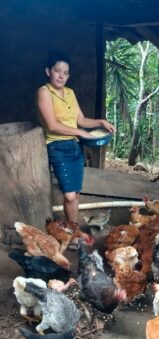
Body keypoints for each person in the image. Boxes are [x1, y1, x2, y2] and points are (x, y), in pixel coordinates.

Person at [37, 51, 115, 243]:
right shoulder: (44, 92)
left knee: (75, 194)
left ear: (68, 75)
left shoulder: (70, 93)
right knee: (70, 195)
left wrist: (100, 122)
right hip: (57, 147)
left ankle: (73, 232)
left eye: (65, 72)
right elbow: (52, 125)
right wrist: (79, 132)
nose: (61, 75)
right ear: (48, 71)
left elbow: (81, 119)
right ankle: (73, 233)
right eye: (57, 71)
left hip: (75, 147)